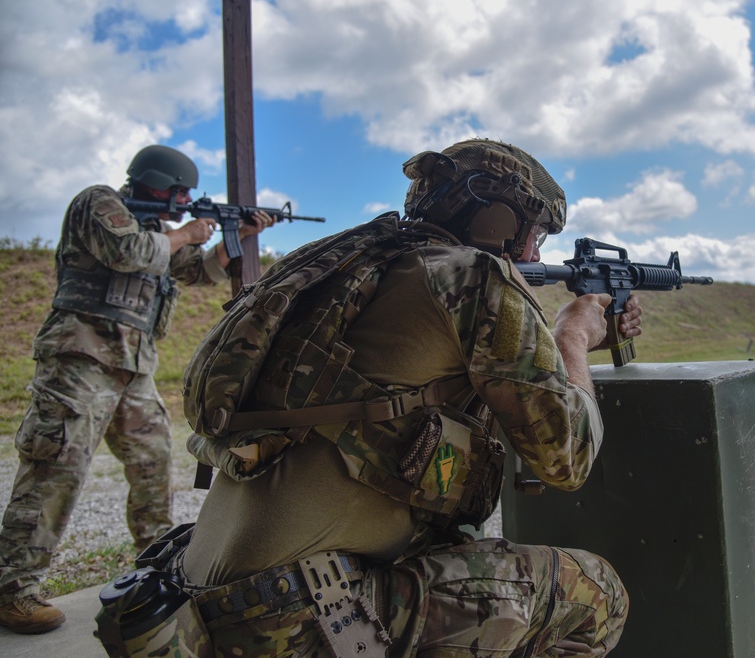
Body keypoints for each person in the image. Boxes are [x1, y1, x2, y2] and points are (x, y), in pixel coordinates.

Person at [165, 139, 640, 656]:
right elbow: (566, 457)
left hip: (199, 605)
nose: (536, 254)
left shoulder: (352, 269)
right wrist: (572, 337)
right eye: (536, 234)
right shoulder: (472, 277)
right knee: (597, 593)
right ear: (499, 221)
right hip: (288, 619)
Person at [0, 145, 274, 634]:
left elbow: (198, 272)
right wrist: (186, 232)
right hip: (79, 360)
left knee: (153, 467)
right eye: (179, 191)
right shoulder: (101, 205)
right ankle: (14, 590)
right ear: (153, 181)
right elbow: (131, 253)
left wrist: (236, 238)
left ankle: (155, 575)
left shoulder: (158, 232)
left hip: (134, 369)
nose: (186, 199)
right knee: (55, 470)